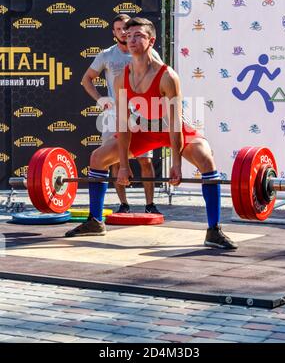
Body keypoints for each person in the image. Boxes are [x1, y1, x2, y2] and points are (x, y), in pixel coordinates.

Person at [67, 17, 237, 250]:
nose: (132, 40)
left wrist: (176, 163)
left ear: (151, 41)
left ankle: (214, 230)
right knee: (98, 158)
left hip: (170, 126)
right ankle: (96, 221)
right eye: (129, 36)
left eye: (139, 35)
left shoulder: (167, 76)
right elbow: (124, 123)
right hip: (143, 127)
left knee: (206, 160)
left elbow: (175, 122)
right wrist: (124, 166)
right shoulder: (121, 78)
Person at [81, 14, 162, 214]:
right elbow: (86, 79)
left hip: (141, 114)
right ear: (114, 33)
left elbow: (162, 77)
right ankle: (123, 204)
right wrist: (101, 100)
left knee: (145, 160)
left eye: (126, 28)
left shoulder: (148, 53)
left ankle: (150, 204)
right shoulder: (107, 55)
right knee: (113, 160)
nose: (123, 32)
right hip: (114, 115)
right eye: (118, 29)